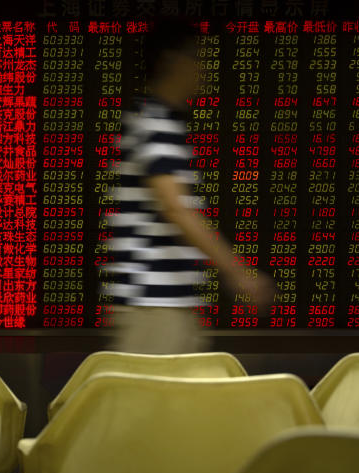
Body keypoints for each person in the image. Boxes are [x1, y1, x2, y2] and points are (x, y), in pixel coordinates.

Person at [101, 19, 275, 354]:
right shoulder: (155, 124)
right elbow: (176, 208)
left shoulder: (157, 121)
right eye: (198, 58)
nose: (205, 69)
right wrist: (240, 273)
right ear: (171, 61)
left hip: (165, 305)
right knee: (154, 407)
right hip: (153, 305)